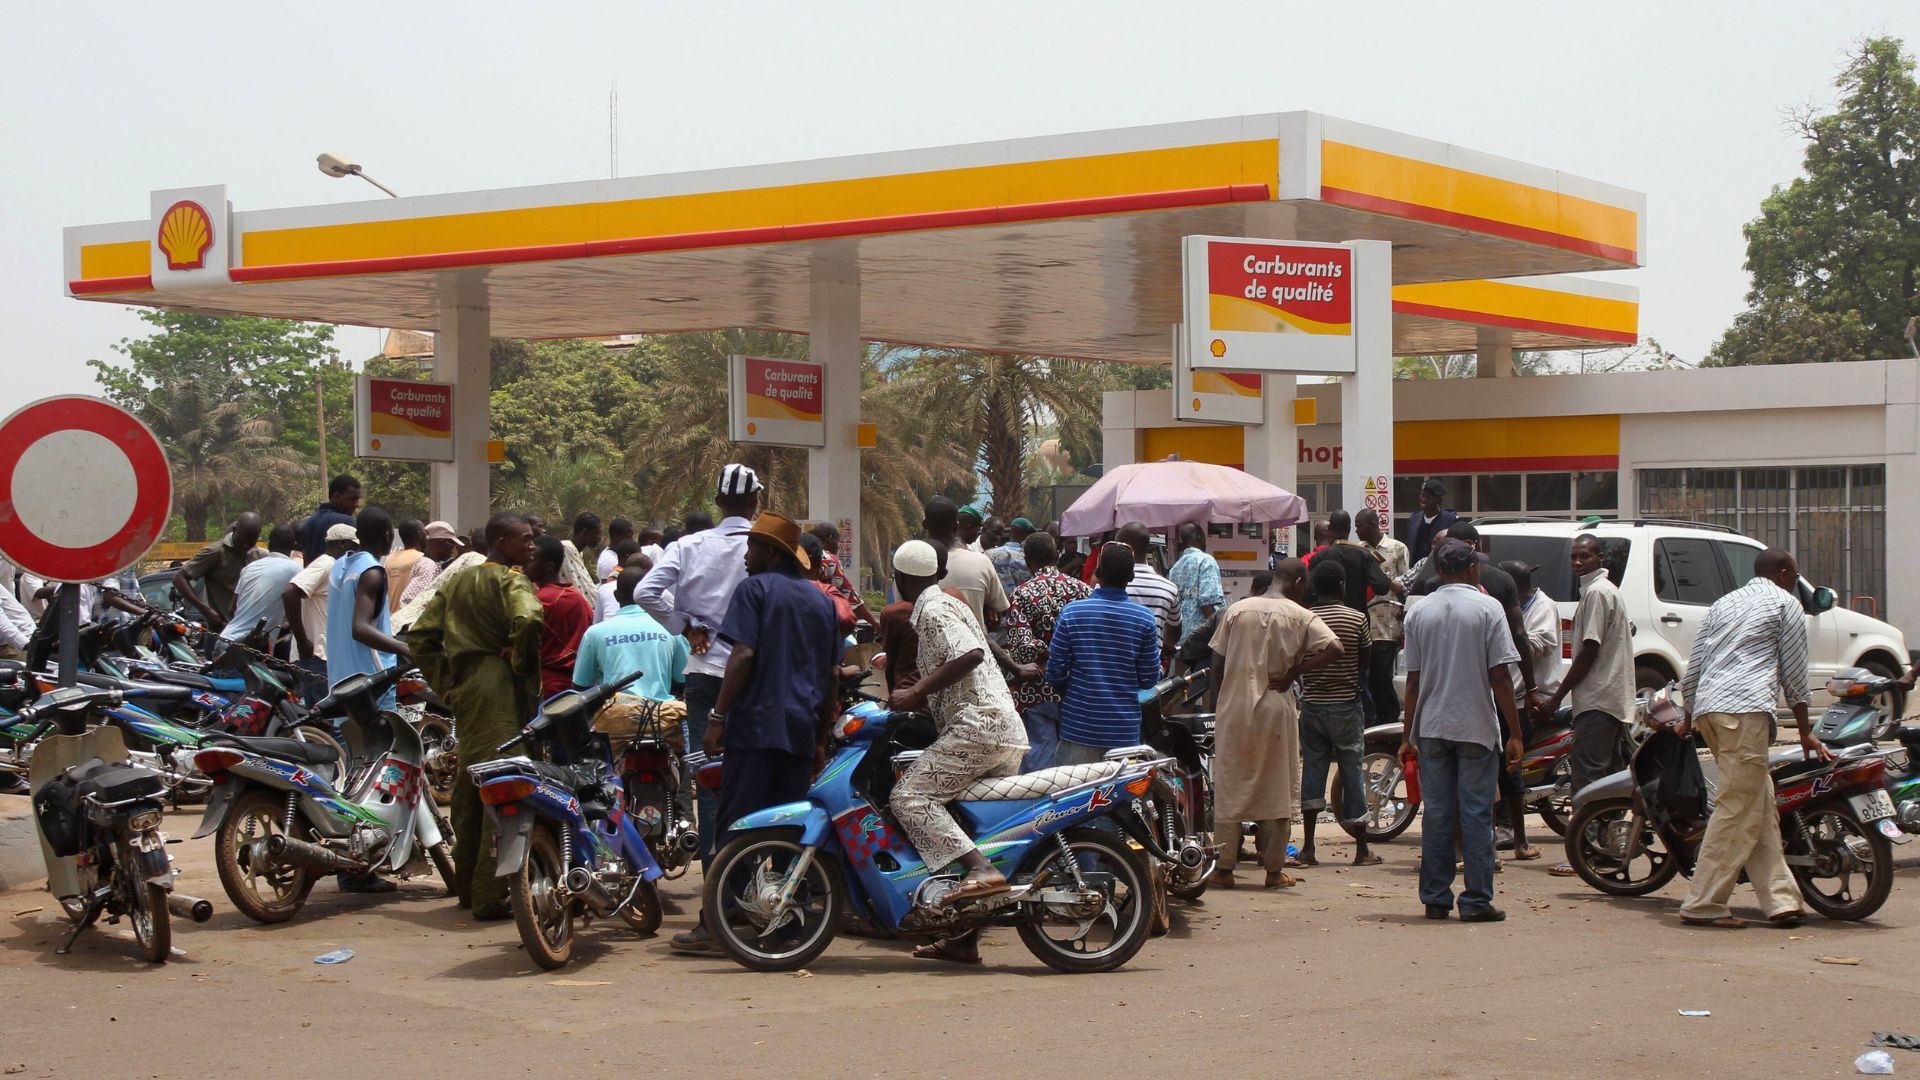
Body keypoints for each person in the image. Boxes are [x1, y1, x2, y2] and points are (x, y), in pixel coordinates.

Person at [672, 511, 840, 956]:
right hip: (800, 728)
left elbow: (743, 655)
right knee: (789, 831)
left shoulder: (755, 590)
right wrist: (820, 738)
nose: (745, 556)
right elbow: (831, 676)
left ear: (768, 551)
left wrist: (717, 717)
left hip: (756, 725)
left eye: (751, 548)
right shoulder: (821, 601)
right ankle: (787, 925)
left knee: (735, 826)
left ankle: (721, 921)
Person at [886, 538, 1031, 966]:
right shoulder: (949, 601)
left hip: (979, 728)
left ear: (900, 579)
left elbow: (970, 654)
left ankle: (981, 869)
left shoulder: (932, 609)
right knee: (975, 827)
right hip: (999, 726)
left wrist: (915, 692)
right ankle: (964, 939)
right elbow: (983, 647)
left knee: (909, 797)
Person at [1673, 548, 1824, 929]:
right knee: (1738, 807)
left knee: (1759, 804)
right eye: (1795, 577)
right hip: (1744, 710)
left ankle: (1781, 900)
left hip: (1710, 710)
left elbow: (1696, 664)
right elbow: (1794, 673)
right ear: (1784, 573)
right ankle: (1702, 902)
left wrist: (1689, 717)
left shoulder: (1724, 603)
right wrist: (1805, 732)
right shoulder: (1785, 604)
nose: (1795, 585)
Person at [408, 513, 545, 920]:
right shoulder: (510, 580)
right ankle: (490, 894)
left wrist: (446, 683)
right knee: (504, 785)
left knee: (470, 789)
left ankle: (467, 885)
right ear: (502, 542)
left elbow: (420, 635)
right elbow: (529, 618)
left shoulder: (459, 580)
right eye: (525, 539)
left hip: (467, 690)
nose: (532, 546)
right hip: (500, 691)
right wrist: (519, 657)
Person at [636, 463, 758, 864]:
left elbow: (645, 592)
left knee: (709, 778)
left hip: (704, 670)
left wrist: (686, 626)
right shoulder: (764, 545)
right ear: (756, 500)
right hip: (752, 675)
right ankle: (750, 874)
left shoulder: (688, 545)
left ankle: (714, 880)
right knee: (753, 777)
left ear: (719, 500)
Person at [1400, 540, 1524, 922]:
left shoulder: (1419, 612)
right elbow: (1500, 676)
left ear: (1439, 570)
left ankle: (1435, 898)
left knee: (1437, 814)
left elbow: (1413, 681)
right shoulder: (1489, 608)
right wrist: (1516, 733)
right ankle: (1476, 901)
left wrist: (1407, 736)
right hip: (1476, 727)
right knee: (1476, 814)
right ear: (1471, 569)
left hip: (1432, 727)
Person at [1206, 559, 1341, 889]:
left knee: (1230, 784)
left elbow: (1217, 662)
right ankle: (1273, 869)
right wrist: (1295, 672)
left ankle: (1224, 868)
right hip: (1275, 704)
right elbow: (1335, 648)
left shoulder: (1237, 611)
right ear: (1298, 583)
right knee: (1277, 786)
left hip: (1234, 706)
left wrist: (1220, 703)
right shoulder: (1300, 615)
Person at [1044, 543, 1160, 764]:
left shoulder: (1072, 613)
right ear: (1131, 577)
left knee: (1077, 787)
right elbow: (1149, 679)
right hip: (1124, 732)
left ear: (1098, 572)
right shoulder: (1144, 619)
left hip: (1078, 728)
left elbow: (1054, 672)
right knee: (1122, 788)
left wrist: (1074, 692)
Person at [1297, 560, 1377, 868]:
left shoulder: (1306, 618)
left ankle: (1308, 847)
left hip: (1312, 705)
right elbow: (1365, 663)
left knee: (1313, 770)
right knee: (1352, 772)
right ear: (1342, 586)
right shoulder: (1356, 618)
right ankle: (1362, 849)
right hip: (1346, 705)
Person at [1000, 530, 1090, 725]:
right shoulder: (1083, 589)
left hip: (1038, 692)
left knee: (1041, 745)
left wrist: (1045, 652)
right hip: (1079, 688)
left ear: (1027, 560)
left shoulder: (1022, 594)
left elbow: (1022, 649)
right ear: (1056, 555)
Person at [327, 507, 411, 709]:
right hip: (371, 683)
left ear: (357, 535)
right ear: (388, 536)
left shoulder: (340, 566)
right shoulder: (371, 571)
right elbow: (360, 628)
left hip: (340, 679)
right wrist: (408, 649)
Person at [574, 566, 690, 701]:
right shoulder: (672, 630)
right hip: (660, 711)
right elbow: (684, 678)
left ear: (616, 596)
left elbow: (580, 686)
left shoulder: (594, 633)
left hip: (615, 711)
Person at [283, 523, 356, 695]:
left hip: (324, 656)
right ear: (343, 544)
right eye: (354, 548)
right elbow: (290, 593)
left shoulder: (336, 569)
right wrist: (303, 641)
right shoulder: (326, 563)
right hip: (317, 656)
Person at [1356, 510, 1410, 726]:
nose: (1357, 530)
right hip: (1364, 623)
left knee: (1383, 676)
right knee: (1367, 678)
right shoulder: (1359, 550)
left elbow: (1406, 584)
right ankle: (1373, 722)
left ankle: (1389, 720)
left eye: (1360, 526)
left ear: (1372, 524)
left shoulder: (1397, 548)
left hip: (1388, 623)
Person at [923, 496, 1008, 631]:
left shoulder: (909, 564)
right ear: (956, 527)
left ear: (924, 525)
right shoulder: (982, 562)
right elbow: (998, 614)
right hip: (976, 642)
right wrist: (983, 608)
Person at [526, 535, 593, 698]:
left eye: (532, 560)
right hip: (578, 683)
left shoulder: (540, 600)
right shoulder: (578, 597)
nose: (525, 564)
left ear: (549, 566)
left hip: (546, 684)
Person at [173, 512, 266, 629]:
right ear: (234, 529)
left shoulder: (260, 555)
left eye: (251, 542)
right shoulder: (216, 551)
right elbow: (179, 578)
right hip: (222, 628)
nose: (245, 546)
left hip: (251, 627)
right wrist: (206, 610)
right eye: (242, 540)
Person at [219, 523, 301, 650]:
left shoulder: (250, 568)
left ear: (268, 545)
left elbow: (232, 609)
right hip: (247, 649)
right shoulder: (295, 569)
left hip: (225, 639)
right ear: (294, 546)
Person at [1115, 521, 1179, 658]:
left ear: (1124, 548)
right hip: (1153, 663)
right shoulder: (1169, 588)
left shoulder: (1109, 584)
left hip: (1116, 662)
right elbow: (1174, 633)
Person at [1166, 522, 1225, 653]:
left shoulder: (1175, 568)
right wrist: (1221, 635)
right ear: (1199, 536)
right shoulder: (1206, 560)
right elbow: (1207, 603)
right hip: (1202, 640)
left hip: (1181, 639)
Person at [806, 522, 876, 627]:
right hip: (818, 624)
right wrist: (875, 623)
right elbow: (851, 599)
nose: (838, 546)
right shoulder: (829, 560)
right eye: (837, 541)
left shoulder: (799, 553)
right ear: (830, 539)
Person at [395, 521, 463, 612]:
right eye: (452, 544)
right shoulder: (428, 566)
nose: (453, 549)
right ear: (442, 542)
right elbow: (408, 600)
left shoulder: (428, 563)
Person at [299, 475, 362, 563]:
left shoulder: (310, 521)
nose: (357, 504)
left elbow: (305, 556)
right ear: (336, 496)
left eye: (358, 499)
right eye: (352, 499)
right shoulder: (347, 522)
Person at [1403, 478, 1459, 565]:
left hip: (1439, 569)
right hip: (1416, 570)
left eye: (1428, 497)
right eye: (1422, 495)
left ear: (1439, 500)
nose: (1424, 500)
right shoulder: (1414, 520)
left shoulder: (1450, 521)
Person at [386, 519, 428, 613]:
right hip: (405, 618)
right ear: (420, 534)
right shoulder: (422, 559)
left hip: (388, 617)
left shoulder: (389, 559)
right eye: (425, 533)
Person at [984, 516, 1030, 595]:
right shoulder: (1028, 557)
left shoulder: (989, 553)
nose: (998, 537)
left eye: (1000, 534)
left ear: (1010, 532)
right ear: (1027, 535)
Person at [560, 512, 603, 598]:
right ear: (585, 532)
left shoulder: (579, 554)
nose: (600, 537)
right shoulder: (565, 548)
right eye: (597, 533)